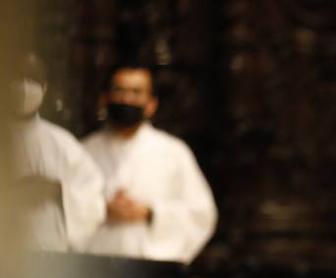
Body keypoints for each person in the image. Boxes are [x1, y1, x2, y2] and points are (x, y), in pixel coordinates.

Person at [81, 64, 217, 263]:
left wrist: (150, 212)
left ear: (151, 104)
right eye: (120, 91)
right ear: (105, 98)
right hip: (93, 265)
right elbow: (63, 208)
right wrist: (102, 208)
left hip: (152, 268)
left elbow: (201, 214)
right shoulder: (83, 151)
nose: (127, 99)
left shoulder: (173, 152)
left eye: (136, 93)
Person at [10, 52, 105, 252]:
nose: (25, 87)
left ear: (45, 88)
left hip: (48, 256)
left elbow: (92, 197)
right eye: (17, 77)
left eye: (32, 79)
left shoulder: (62, 143)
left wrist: (58, 191)